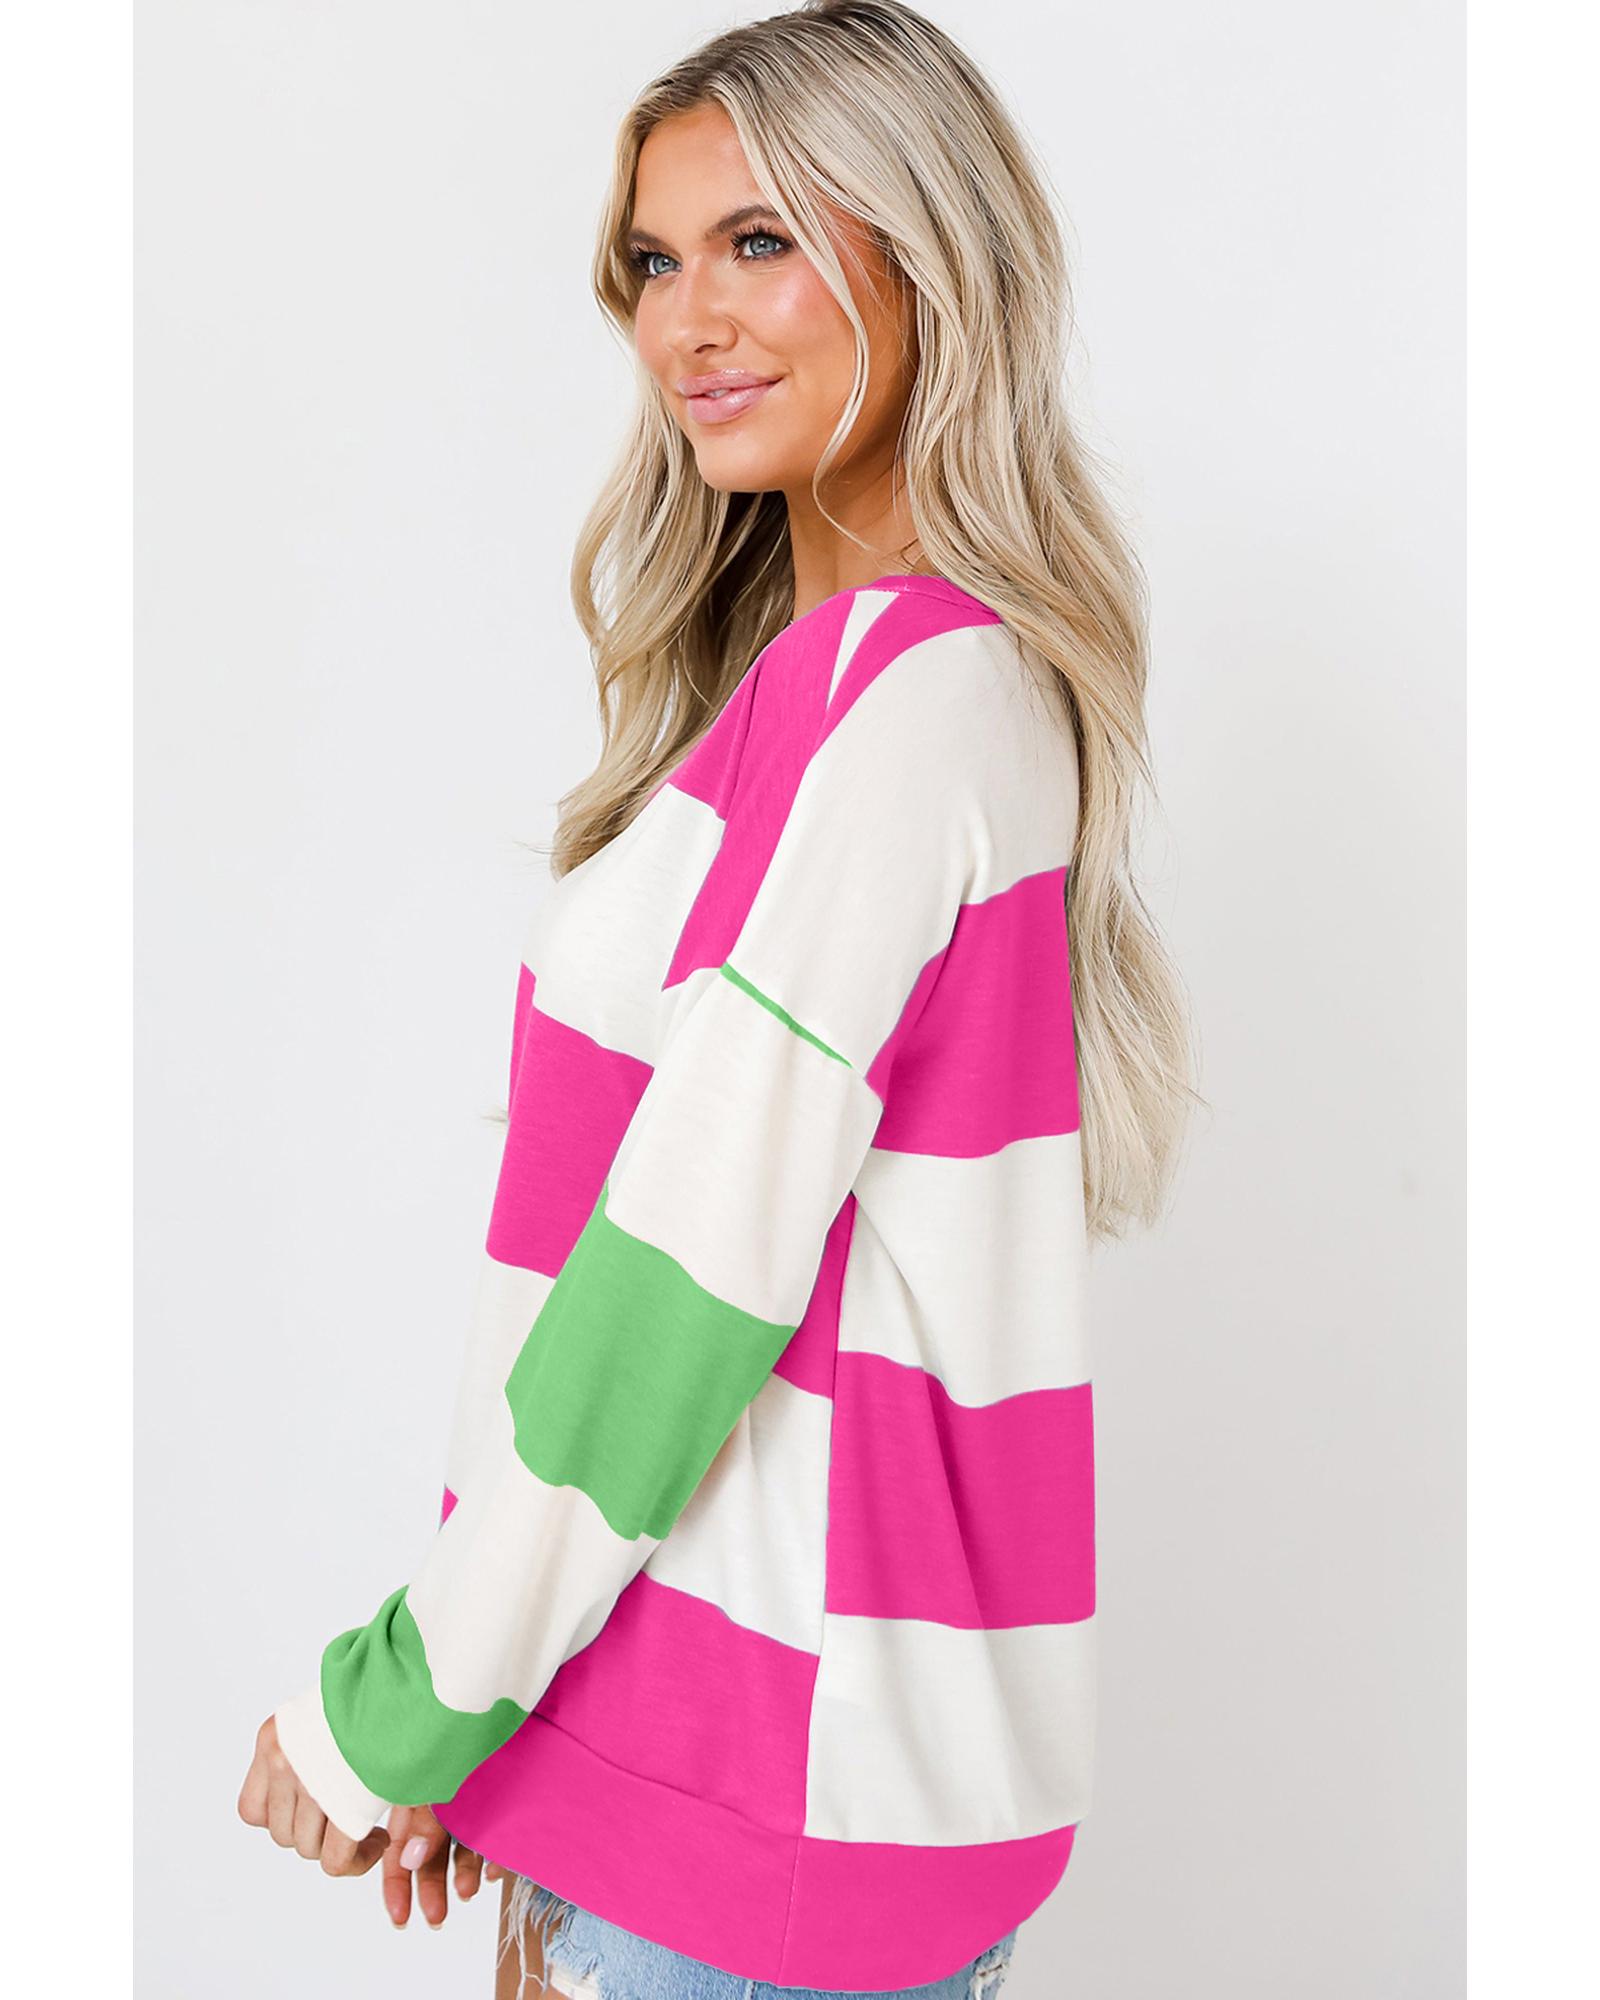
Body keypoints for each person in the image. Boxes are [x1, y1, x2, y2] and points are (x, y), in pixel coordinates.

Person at [236, 4, 1198, 1994]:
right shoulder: (838, 692)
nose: (688, 321)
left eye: (759, 241)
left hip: (754, 1823)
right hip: (685, 1769)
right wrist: (497, 1714)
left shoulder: (913, 701)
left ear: (930, 258)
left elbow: (678, 1287)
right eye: (655, 261)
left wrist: (406, 1700)